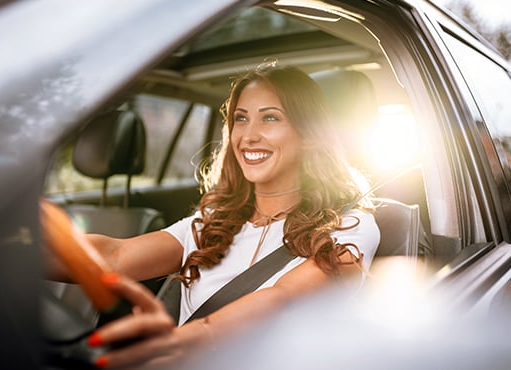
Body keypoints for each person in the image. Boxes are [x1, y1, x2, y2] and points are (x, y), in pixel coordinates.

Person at [45, 61, 380, 369]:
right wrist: (13, 254)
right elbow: (115, 256)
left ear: (308, 135)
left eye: (271, 118)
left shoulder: (351, 226)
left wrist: (188, 338)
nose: (248, 136)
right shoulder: (213, 222)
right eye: (241, 118)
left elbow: (284, 297)